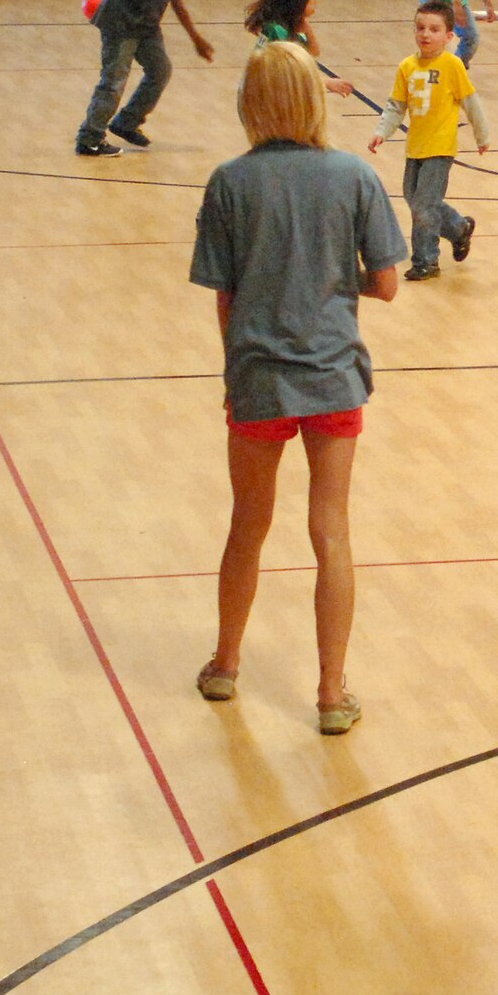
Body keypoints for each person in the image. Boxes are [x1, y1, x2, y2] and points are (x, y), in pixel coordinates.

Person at [188, 40, 407, 735]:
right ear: (316, 98)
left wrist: (238, 371)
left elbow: (223, 297)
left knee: (247, 526)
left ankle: (225, 665)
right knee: (330, 530)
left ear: (250, 104)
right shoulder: (354, 178)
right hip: (335, 377)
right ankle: (331, 693)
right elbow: (388, 283)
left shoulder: (228, 182)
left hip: (256, 380)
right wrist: (337, 281)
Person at [368, 0, 491, 280]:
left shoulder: (452, 66)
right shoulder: (407, 67)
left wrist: (481, 135)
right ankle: (459, 229)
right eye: (420, 28)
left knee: (424, 205)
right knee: (417, 201)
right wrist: (381, 132)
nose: (425, 34)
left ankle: (426, 260)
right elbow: (396, 106)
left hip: (440, 149)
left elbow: (471, 102)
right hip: (416, 148)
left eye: (434, 30)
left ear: (449, 36)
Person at [76, 0, 214, 157]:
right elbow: (177, 2)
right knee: (114, 81)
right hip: (121, 24)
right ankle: (89, 138)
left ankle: (126, 122)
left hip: (144, 24)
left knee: (160, 70)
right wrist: (196, 39)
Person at [243, 0, 359, 100]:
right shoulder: (276, 31)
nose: (316, 1)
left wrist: (304, 24)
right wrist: (326, 83)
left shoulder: (293, 25)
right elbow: (290, 76)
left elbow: (314, 51)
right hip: (265, 99)